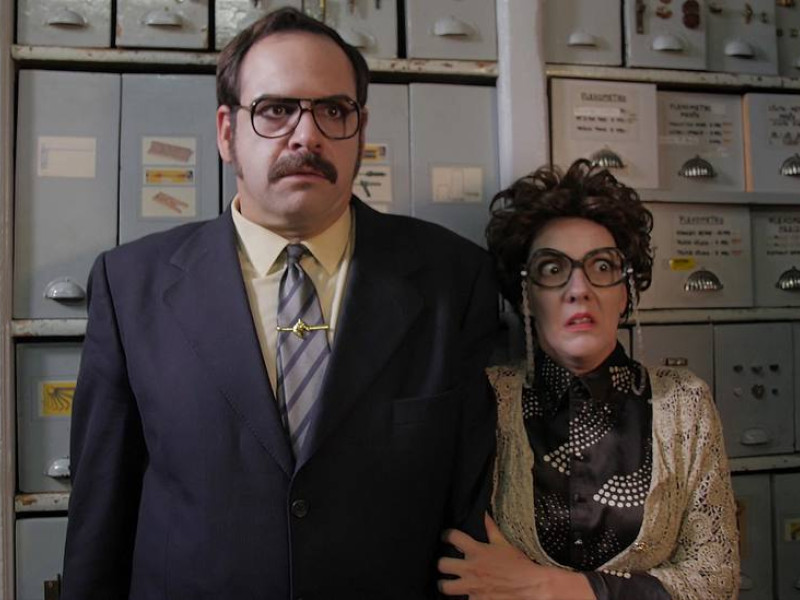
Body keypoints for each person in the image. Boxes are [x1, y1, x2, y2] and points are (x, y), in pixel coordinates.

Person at [61, 7, 499, 599]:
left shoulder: (453, 280)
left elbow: (470, 515)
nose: (306, 135)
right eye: (275, 110)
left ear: (361, 131)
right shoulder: (130, 286)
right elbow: (100, 519)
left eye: (334, 111)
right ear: (226, 133)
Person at [437, 159, 739, 600]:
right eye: (552, 269)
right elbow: (460, 566)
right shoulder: (486, 398)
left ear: (626, 292)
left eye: (602, 267)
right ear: (526, 296)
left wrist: (555, 588)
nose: (579, 289)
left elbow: (716, 582)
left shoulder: (684, 401)